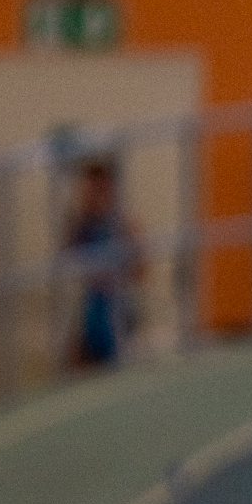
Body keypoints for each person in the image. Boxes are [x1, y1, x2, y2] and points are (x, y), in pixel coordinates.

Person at [61, 154, 145, 368]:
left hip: (118, 305)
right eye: (88, 187)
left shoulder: (123, 224)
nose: (91, 193)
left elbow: (141, 271)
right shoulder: (82, 225)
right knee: (77, 363)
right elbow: (68, 257)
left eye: (98, 187)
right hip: (92, 307)